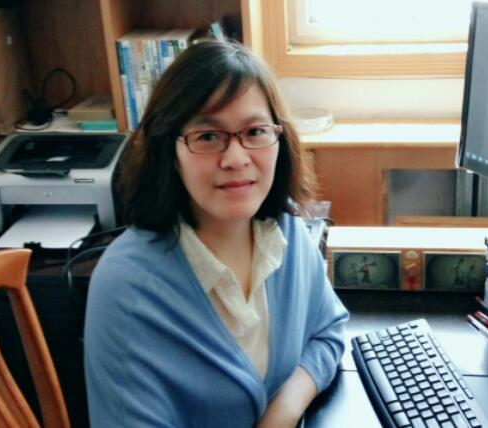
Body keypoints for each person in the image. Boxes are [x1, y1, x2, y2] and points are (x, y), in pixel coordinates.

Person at [84, 39, 349, 428]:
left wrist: (283, 411)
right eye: (208, 136)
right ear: (169, 151)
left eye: (255, 131)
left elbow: (327, 331)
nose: (237, 158)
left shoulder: (288, 234)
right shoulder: (127, 288)